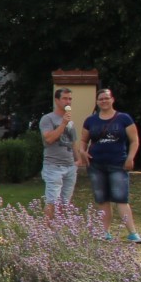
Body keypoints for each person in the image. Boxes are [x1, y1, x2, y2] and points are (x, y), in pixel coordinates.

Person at [76, 88, 141, 242]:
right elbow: (84, 140)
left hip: (118, 163)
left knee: (121, 198)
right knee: (102, 199)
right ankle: (105, 232)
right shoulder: (90, 120)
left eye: (107, 98)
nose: (104, 101)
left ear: (112, 99)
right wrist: (82, 151)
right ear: (97, 102)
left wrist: (130, 158)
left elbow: (134, 140)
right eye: (101, 99)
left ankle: (132, 233)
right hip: (96, 164)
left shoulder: (124, 118)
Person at [38, 88, 80, 220]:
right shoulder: (48, 119)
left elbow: (73, 142)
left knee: (65, 203)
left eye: (70, 99)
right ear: (57, 100)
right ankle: (47, 230)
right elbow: (49, 139)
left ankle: (58, 229)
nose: (68, 101)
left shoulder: (70, 122)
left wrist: (78, 159)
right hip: (53, 165)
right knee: (52, 201)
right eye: (65, 98)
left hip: (70, 165)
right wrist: (63, 124)